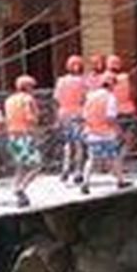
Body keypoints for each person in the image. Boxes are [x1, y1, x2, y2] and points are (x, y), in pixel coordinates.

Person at [79, 82, 129, 193]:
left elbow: (84, 115)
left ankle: (85, 183)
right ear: (110, 86)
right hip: (107, 134)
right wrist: (120, 132)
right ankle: (120, 181)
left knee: (91, 159)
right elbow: (110, 118)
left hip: (91, 133)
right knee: (114, 157)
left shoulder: (90, 97)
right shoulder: (110, 98)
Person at [3, 75, 43, 207]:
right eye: (32, 87)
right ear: (27, 87)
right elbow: (30, 117)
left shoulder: (9, 100)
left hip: (12, 135)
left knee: (20, 165)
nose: (33, 90)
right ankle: (21, 189)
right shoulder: (28, 99)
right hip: (25, 135)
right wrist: (37, 118)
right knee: (37, 166)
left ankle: (16, 188)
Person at [53, 55, 88, 184]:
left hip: (63, 114)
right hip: (78, 115)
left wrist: (56, 118)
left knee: (67, 144)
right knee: (79, 144)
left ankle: (65, 168)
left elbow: (56, 100)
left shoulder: (60, 81)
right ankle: (78, 171)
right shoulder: (82, 82)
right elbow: (85, 99)